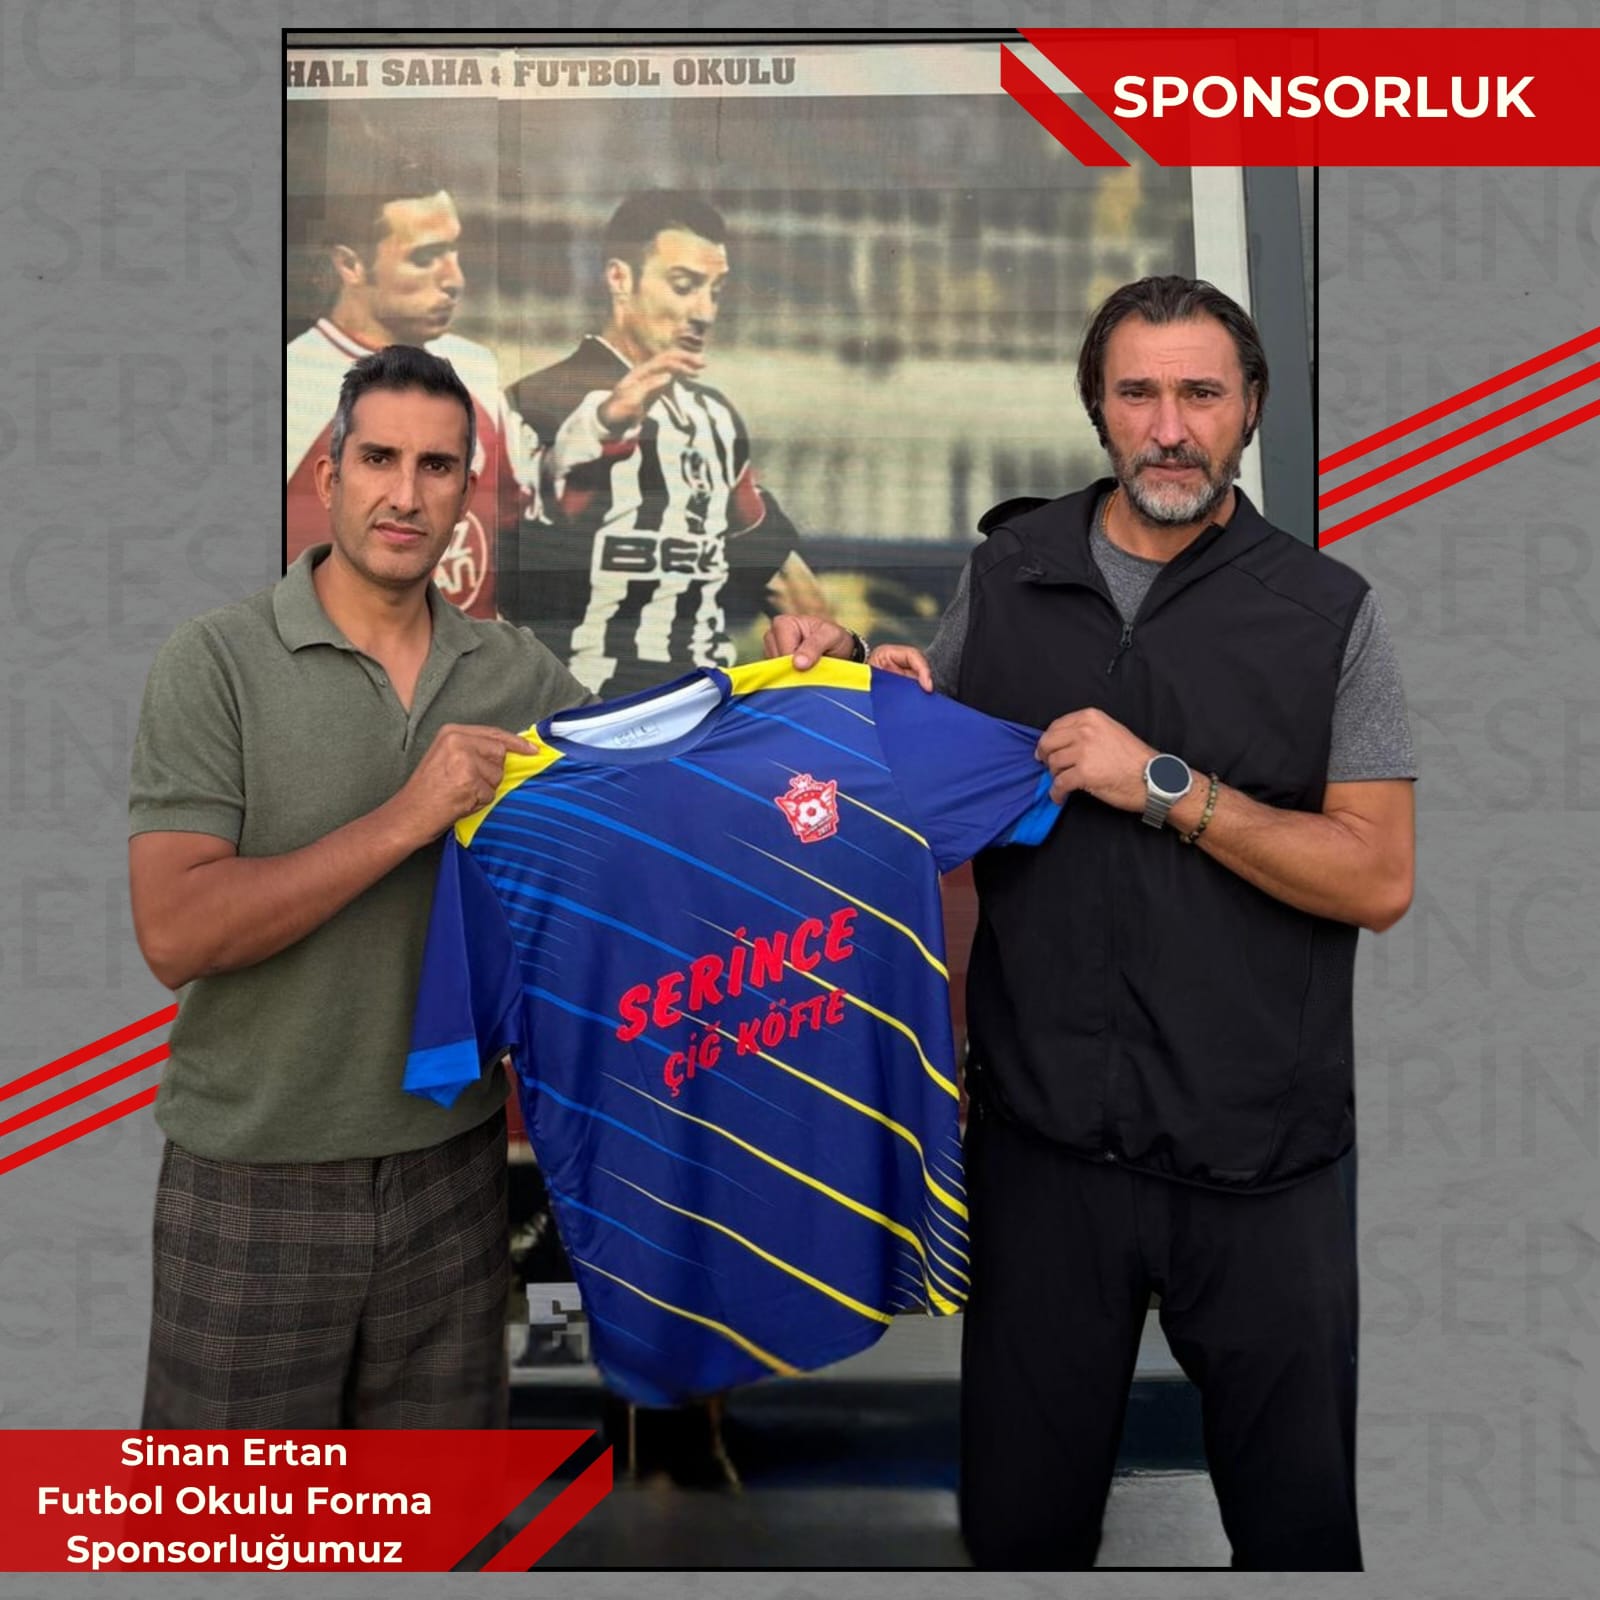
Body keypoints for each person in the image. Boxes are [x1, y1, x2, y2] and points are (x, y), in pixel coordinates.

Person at [769, 275, 1416, 1570]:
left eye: (1200, 393)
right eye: (1138, 393)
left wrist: (1166, 786)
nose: (1169, 428)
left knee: (1301, 1534)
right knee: (1022, 1532)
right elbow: (916, 797)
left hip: (1263, 1166)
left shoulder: (1329, 613)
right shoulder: (1007, 574)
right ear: (1098, 408)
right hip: (1045, 1154)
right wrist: (848, 686)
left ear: (1249, 408)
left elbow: (1375, 876)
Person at [130, 345, 591, 1426]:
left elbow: (662, 801)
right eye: (379, 458)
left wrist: (832, 673)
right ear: (329, 476)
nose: (406, 493)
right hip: (254, 1180)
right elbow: (176, 933)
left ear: (467, 493)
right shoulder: (215, 661)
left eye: (438, 466)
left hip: (452, 1174)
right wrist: (409, 814)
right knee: (237, 1518)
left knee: (432, 1511)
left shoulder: (517, 675)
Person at [505, 190, 831, 698]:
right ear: (620, 279)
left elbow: (787, 585)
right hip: (582, 719)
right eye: (684, 286)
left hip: (707, 713)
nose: (704, 312)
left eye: (715, 291)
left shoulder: (714, 418)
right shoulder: (533, 404)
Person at [286, 137, 535, 617]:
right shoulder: (293, 383)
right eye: (425, 257)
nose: (455, 279)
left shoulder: (475, 367)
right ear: (350, 264)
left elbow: (516, 521)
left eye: (454, 251)